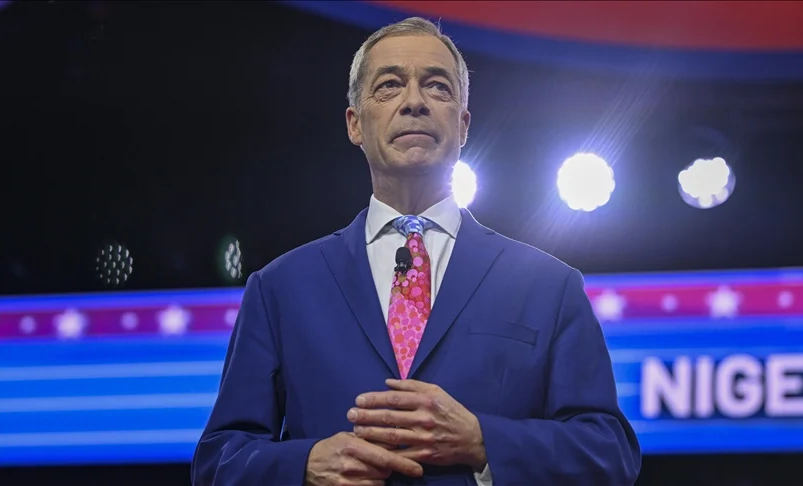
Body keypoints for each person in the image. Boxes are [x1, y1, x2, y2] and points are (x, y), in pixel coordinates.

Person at [191, 16, 641, 486]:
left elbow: (609, 453)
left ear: (463, 125)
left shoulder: (549, 286)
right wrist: (303, 466)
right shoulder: (280, 289)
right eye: (389, 85)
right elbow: (218, 460)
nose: (414, 102)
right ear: (355, 124)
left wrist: (484, 441)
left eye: (437, 87)